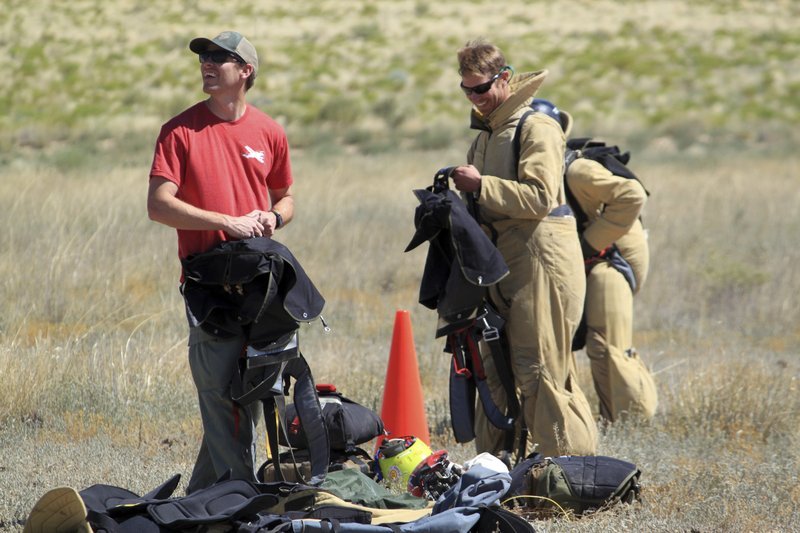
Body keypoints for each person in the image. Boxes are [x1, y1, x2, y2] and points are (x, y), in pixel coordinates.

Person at [147, 30, 295, 493]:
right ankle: (238, 498)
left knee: (250, 394)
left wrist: (272, 217)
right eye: (203, 58)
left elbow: (286, 196)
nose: (206, 64)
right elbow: (158, 205)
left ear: (245, 71)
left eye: (219, 58)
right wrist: (225, 221)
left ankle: (202, 499)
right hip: (207, 283)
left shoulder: (268, 131)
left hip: (259, 282)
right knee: (218, 393)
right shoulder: (179, 131)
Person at [449, 39, 597, 459]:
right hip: (502, 266)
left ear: (506, 78)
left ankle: (568, 473)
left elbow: (540, 198)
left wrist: (481, 186)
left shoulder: (536, 127)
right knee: (497, 369)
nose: (475, 98)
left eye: (481, 89)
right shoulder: (485, 136)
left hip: (540, 264)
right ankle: (497, 473)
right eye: (467, 90)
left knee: (541, 370)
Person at [529, 99, 658, 422]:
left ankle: (631, 423)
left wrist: (586, 246)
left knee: (607, 346)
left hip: (609, 259)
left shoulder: (577, 170)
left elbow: (631, 197)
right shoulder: (526, 171)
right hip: (564, 263)